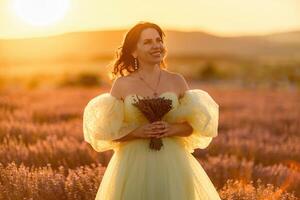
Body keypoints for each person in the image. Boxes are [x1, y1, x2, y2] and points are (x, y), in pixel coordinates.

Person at [83, 21, 221, 200]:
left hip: (173, 163)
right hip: (133, 163)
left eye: (158, 40)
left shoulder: (176, 80)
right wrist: (137, 132)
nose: (156, 45)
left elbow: (192, 126)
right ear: (134, 51)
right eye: (147, 42)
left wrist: (172, 129)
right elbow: (109, 131)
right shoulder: (122, 84)